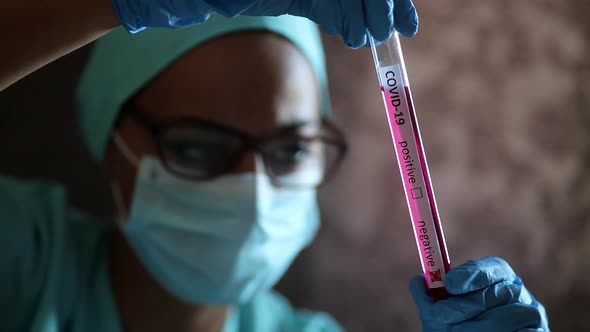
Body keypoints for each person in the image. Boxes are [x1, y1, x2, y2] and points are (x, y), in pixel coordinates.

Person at [0, 3, 549, 332]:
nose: (253, 189)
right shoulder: (23, 265)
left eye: (288, 151)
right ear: (111, 142)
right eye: (195, 147)